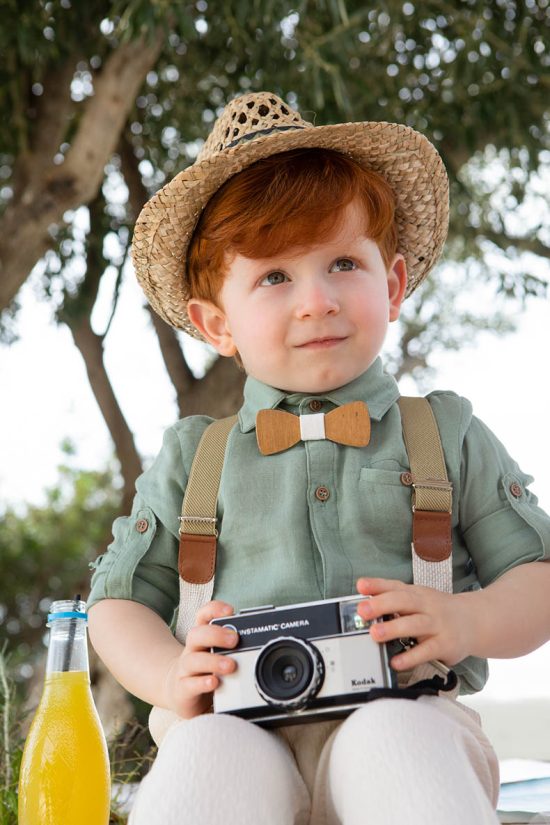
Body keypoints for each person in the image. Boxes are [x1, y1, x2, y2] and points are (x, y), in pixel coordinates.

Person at [87, 91, 550, 825]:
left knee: (395, 745)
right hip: (234, 725)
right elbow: (114, 606)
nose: (316, 301)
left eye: (342, 262)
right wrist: (169, 672)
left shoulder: (446, 433)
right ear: (217, 324)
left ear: (391, 284)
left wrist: (464, 619)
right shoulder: (192, 458)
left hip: (406, 711)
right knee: (204, 765)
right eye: (274, 277)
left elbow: (539, 577)